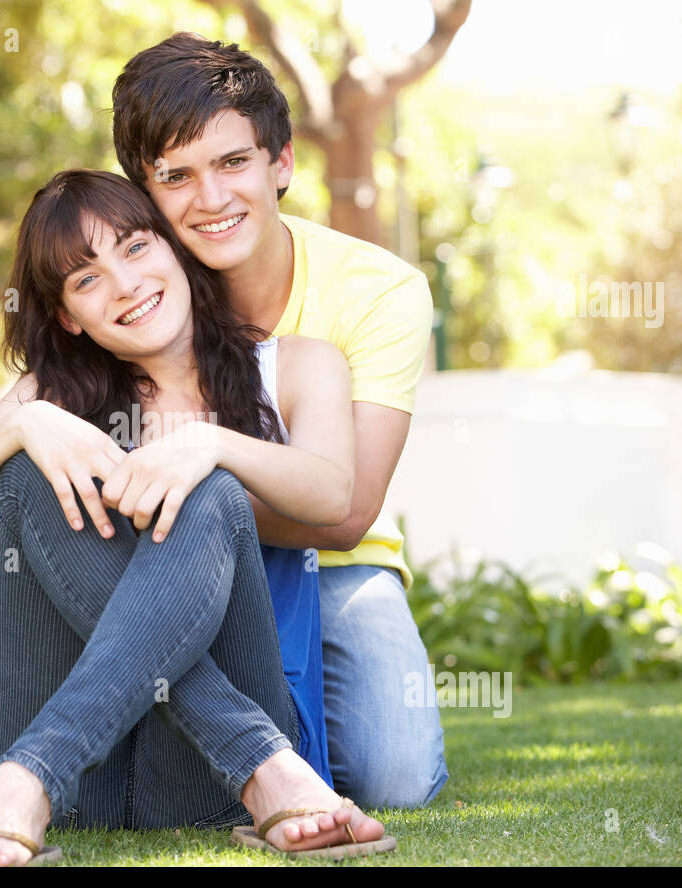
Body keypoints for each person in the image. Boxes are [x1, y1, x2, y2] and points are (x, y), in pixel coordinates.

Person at [0, 169, 391, 865]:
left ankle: (25, 781)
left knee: (210, 486)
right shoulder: (51, 394)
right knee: (26, 466)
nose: (124, 284)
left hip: (204, 774)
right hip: (88, 790)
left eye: (134, 247)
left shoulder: (299, 366)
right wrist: (23, 425)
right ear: (67, 315)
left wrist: (209, 444)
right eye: (85, 279)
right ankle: (267, 771)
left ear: (173, 248)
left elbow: (334, 497)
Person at [111, 33, 449, 809]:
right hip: (159, 563)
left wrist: (195, 475)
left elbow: (347, 511)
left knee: (393, 779)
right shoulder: (134, 287)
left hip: (335, 564)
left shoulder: (379, 291)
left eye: (233, 162)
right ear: (145, 191)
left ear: (282, 164)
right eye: (177, 176)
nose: (211, 197)